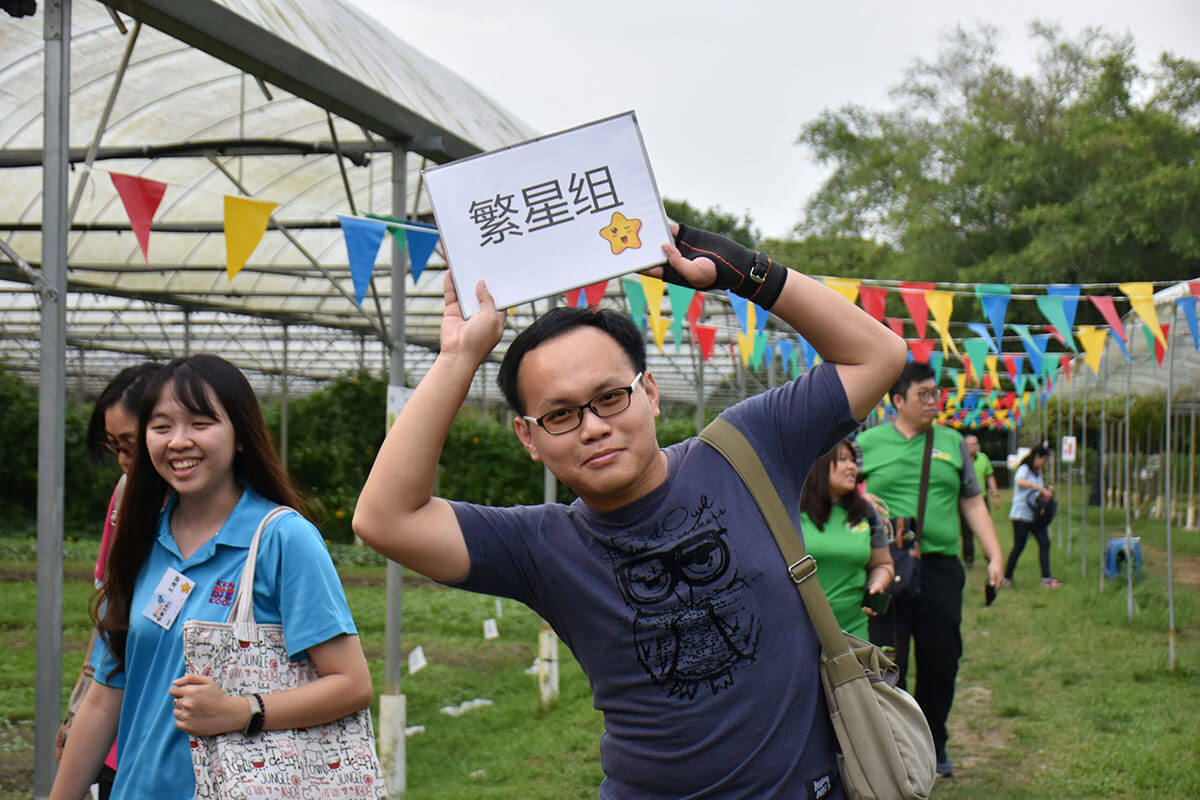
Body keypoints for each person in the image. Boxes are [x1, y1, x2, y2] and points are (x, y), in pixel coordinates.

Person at [354, 222, 907, 798]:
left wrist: (743, 270)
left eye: (610, 397)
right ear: (528, 437)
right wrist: (458, 356)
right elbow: (385, 519)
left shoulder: (748, 448)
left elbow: (879, 355)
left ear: (649, 393)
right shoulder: (540, 547)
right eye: (561, 415)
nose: (593, 427)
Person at [50, 354, 373, 800]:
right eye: (161, 427)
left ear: (240, 435)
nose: (179, 441)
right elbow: (105, 699)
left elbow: (352, 683)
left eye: (200, 424)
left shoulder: (282, 538)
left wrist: (242, 711)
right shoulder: (140, 539)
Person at [857, 361, 1004, 779]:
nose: (933, 401)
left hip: (940, 567)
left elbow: (972, 501)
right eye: (923, 394)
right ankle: (897, 749)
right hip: (884, 566)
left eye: (935, 393)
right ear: (898, 400)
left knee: (942, 658)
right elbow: (846, 493)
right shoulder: (868, 443)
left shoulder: (952, 442)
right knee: (888, 661)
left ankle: (934, 741)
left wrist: (994, 555)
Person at [55, 362, 162, 799]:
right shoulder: (124, 498)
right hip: (117, 732)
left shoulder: (238, 525)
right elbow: (110, 616)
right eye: (115, 447)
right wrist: (77, 708)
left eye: (130, 446)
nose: (123, 461)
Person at [798, 439, 894, 639]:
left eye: (853, 461)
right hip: (800, 632)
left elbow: (883, 564)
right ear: (819, 465)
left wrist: (876, 585)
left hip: (853, 632)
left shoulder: (865, 512)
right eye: (843, 460)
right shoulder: (793, 511)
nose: (852, 467)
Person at [1004, 444, 1058, 587]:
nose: (1044, 463)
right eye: (1044, 460)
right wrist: (1039, 487)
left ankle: (1046, 578)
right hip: (1021, 515)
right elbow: (1020, 482)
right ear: (1037, 457)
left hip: (1035, 515)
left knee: (1044, 543)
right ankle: (1007, 577)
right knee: (1019, 546)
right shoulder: (1024, 469)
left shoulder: (1037, 472)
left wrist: (1046, 492)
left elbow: (1037, 492)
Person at [959, 433, 1000, 567]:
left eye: (976, 443)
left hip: (982, 498)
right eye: (971, 444)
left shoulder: (983, 458)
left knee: (985, 528)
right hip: (965, 499)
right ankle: (969, 558)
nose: (975, 446)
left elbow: (990, 476)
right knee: (966, 531)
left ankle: (990, 556)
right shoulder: (960, 459)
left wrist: (995, 494)